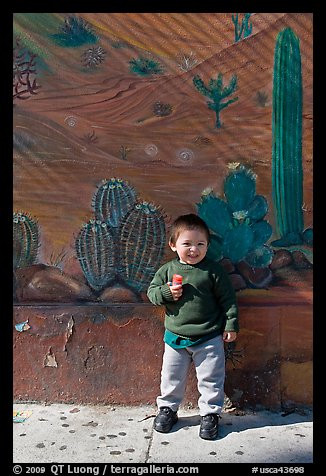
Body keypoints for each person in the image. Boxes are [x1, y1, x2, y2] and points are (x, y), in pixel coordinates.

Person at [147, 213, 239, 440]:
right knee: (171, 376)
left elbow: (227, 300)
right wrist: (167, 292)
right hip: (175, 337)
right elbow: (152, 294)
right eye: (186, 244)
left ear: (208, 246)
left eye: (200, 244)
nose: (193, 250)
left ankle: (210, 414)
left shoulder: (213, 271)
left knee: (211, 378)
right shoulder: (167, 271)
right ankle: (168, 409)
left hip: (208, 337)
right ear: (173, 245)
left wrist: (231, 324)